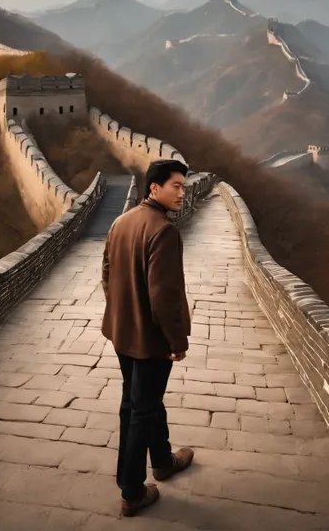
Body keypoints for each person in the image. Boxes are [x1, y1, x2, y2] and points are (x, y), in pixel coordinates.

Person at [101, 158, 194, 518]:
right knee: (138, 408)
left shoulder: (121, 221)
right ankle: (132, 491)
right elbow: (164, 297)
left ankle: (164, 460)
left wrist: (123, 314)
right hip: (151, 340)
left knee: (143, 399)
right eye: (176, 186)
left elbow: (106, 274)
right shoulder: (163, 231)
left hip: (123, 333)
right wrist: (177, 341)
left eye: (184, 186)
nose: (182, 193)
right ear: (154, 188)